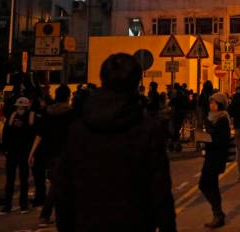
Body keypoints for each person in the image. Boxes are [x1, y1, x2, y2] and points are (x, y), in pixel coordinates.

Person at [55, 53, 176, 231]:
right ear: (136, 83)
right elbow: (161, 191)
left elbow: (63, 189)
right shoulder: (148, 129)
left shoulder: (78, 128)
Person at [29, 84, 75, 226]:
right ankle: (47, 216)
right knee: (61, 186)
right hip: (67, 154)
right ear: (68, 97)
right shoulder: (71, 113)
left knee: (56, 184)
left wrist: (32, 153)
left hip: (50, 154)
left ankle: (47, 216)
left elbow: (39, 134)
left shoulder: (47, 113)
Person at [200, 92, 231, 228]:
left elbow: (222, 140)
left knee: (207, 184)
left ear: (220, 105)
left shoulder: (223, 119)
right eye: (210, 102)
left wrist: (208, 139)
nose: (211, 105)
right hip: (210, 156)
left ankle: (218, 214)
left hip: (216, 157)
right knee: (208, 185)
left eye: (214, 103)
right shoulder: (212, 118)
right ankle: (218, 213)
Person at [0, 96, 35, 214]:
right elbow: (6, 133)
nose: (20, 108)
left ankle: (23, 204)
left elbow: (33, 136)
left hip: (24, 152)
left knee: (23, 179)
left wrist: (31, 153)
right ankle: (7, 205)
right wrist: (5, 149)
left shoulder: (30, 117)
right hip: (12, 152)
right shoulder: (12, 116)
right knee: (10, 180)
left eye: (22, 107)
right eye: (18, 106)